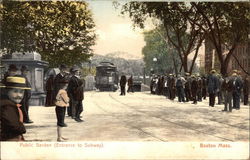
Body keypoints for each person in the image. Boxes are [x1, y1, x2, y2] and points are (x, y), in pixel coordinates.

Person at [0, 76, 31, 141]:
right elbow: (14, 126)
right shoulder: (7, 106)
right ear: (7, 92)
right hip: (9, 141)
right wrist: (22, 128)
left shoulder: (11, 105)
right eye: (15, 91)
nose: (19, 95)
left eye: (21, 92)